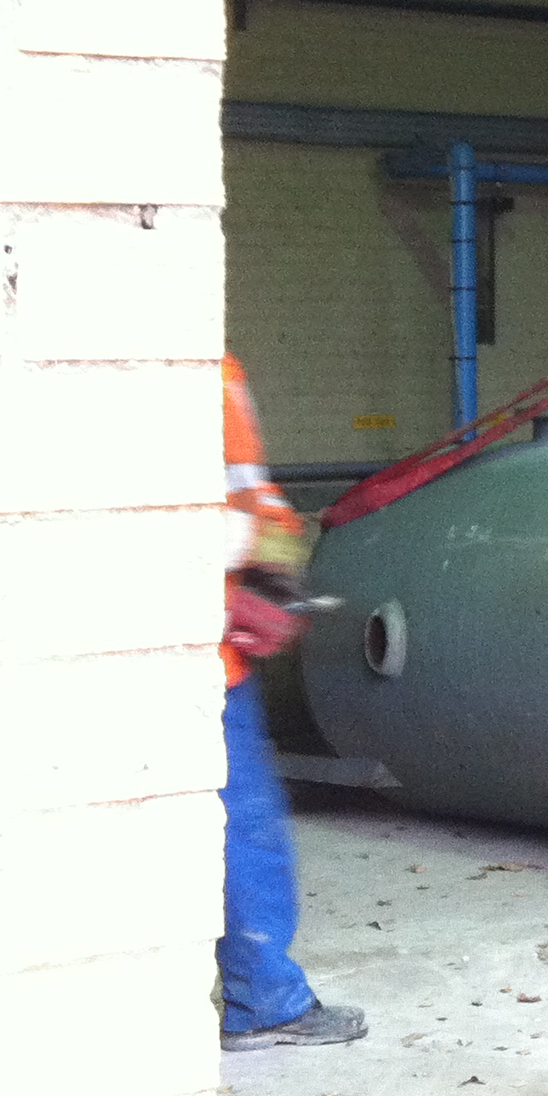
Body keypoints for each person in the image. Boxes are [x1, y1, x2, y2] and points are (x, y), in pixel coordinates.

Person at [217, 353, 367, 1052]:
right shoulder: (171, 359)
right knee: (244, 830)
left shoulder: (210, 365)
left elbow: (246, 488)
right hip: (197, 656)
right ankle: (263, 1001)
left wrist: (271, 567)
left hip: (201, 643)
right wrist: (243, 578)